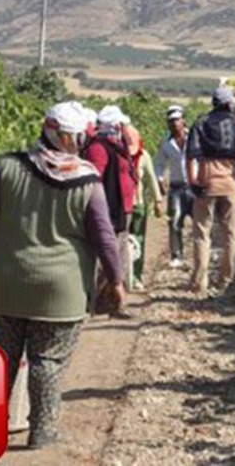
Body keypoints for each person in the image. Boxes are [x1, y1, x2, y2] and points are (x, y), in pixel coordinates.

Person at [0, 101, 127, 447]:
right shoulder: (87, 180)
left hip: (4, 283)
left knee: (1, 358)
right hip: (61, 291)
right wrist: (116, 281)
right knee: (48, 361)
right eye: (74, 137)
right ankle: (42, 431)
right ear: (61, 135)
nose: (78, 143)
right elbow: (103, 236)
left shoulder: (7, 167)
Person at [185, 86, 235, 295]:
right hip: (230, 184)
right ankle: (226, 280)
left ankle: (200, 282)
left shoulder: (200, 122)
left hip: (206, 182)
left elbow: (190, 156)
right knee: (231, 235)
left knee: (202, 234)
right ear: (229, 103)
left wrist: (192, 182)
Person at [83, 105, 138, 317]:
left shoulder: (117, 146)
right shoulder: (99, 148)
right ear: (114, 125)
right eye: (121, 124)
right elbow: (95, 178)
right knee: (107, 255)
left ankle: (114, 302)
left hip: (122, 209)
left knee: (120, 254)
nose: (124, 128)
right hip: (108, 209)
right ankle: (98, 302)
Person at [124, 123, 163, 292]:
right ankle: (123, 277)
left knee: (138, 241)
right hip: (122, 207)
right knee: (121, 242)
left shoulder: (144, 156)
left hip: (138, 205)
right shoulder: (119, 155)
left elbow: (151, 179)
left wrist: (158, 201)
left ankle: (136, 276)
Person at [155, 105, 191, 268]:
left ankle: (200, 254)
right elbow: (159, 163)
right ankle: (177, 254)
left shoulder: (195, 137)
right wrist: (159, 179)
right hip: (176, 186)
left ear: (184, 120)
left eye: (177, 119)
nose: (174, 123)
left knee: (200, 222)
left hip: (194, 185)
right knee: (175, 221)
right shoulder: (165, 141)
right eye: (171, 121)